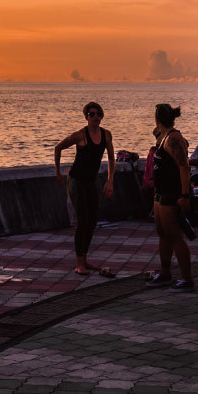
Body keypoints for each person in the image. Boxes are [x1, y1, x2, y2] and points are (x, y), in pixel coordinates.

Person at [54, 101, 118, 277]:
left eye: (98, 114)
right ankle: (79, 263)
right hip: (76, 181)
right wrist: (58, 172)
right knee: (82, 221)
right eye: (92, 114)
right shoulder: (80, 135)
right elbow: (58, 148)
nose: (96, 117)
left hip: (91, 181)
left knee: (92, 221)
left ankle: (84, 258)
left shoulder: (106, 135)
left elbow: (112, 159)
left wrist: (110, 180)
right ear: (86, 117)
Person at [147, 103, 194, 290]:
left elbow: (184, 167)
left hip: (172, 195)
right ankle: (165, 272)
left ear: (157, 118)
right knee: (163, 234)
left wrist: (184, 195)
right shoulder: (164, 136)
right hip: (160, 194)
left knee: (175, 236)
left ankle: (186, 278)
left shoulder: (173, 139)